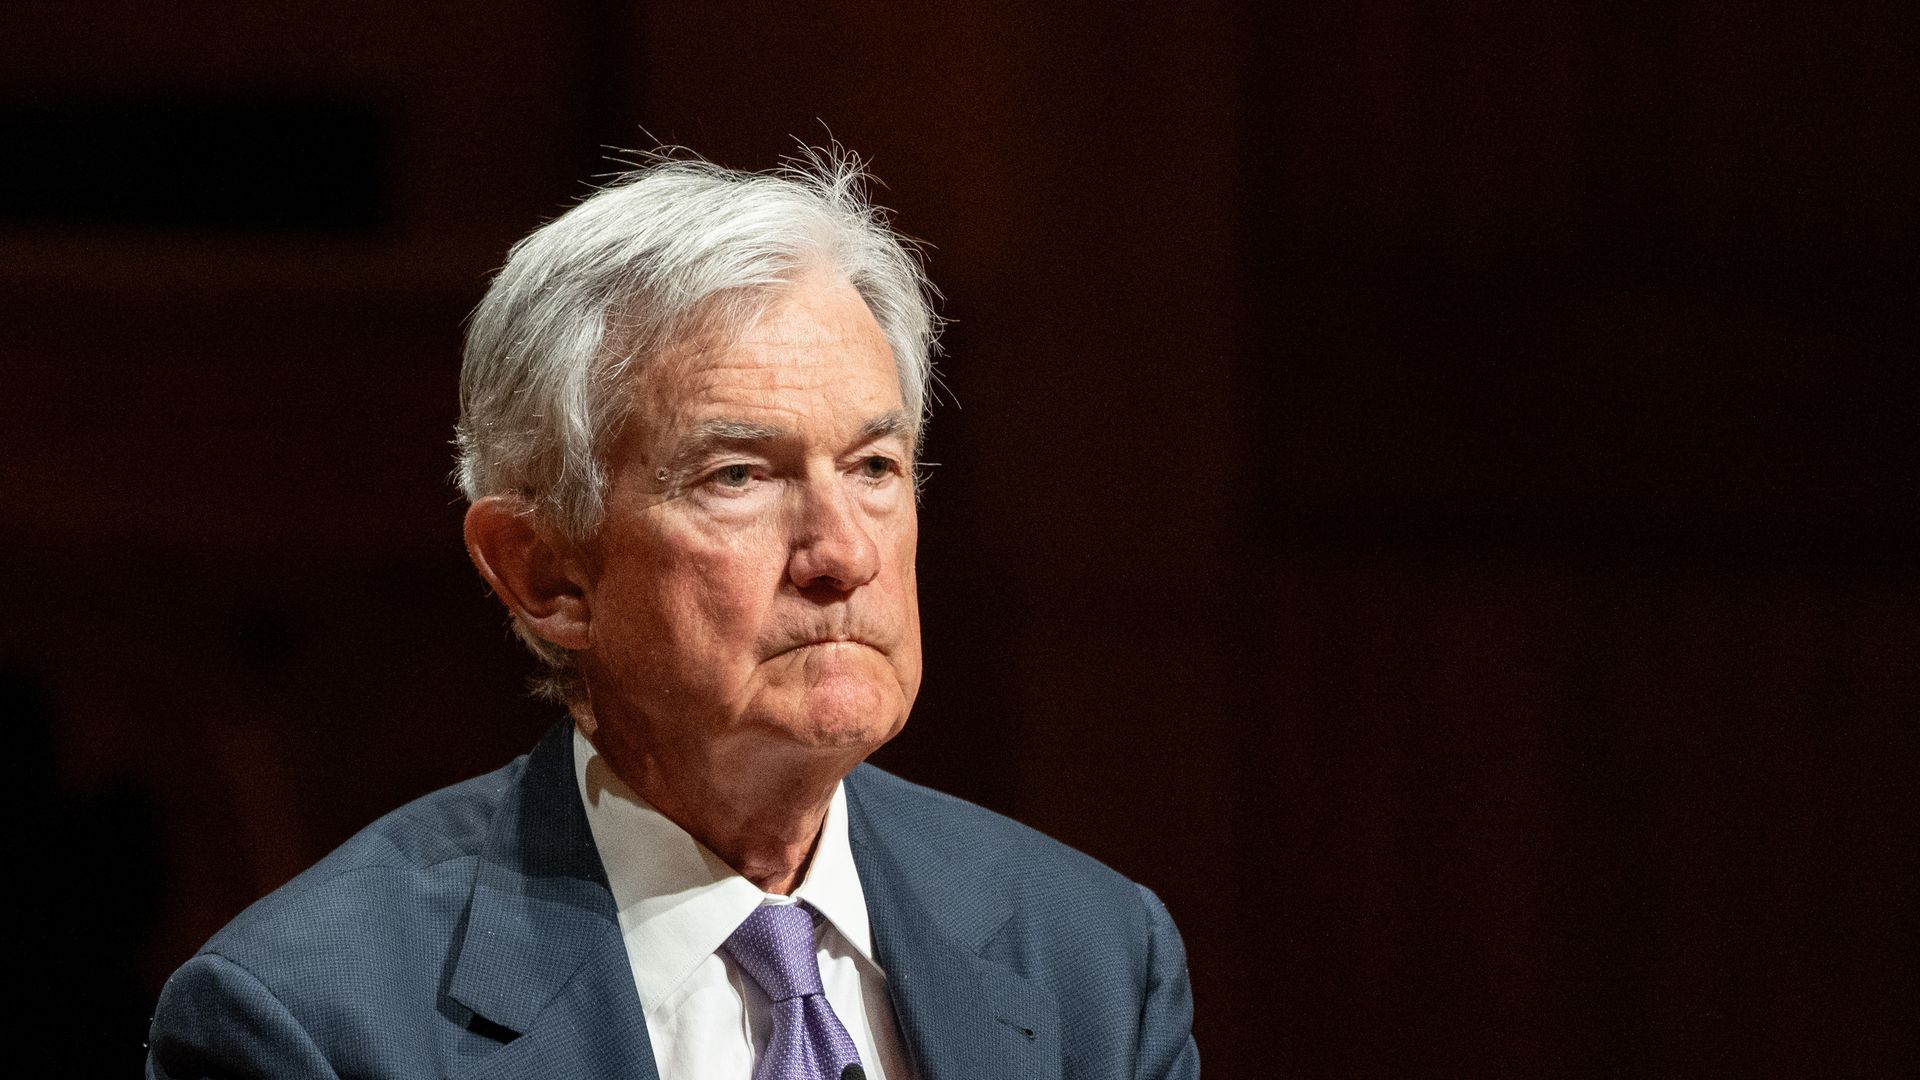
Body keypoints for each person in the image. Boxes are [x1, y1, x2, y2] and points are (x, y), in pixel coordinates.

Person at [146, 146, 1199, 1080]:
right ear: (544, 571)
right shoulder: (310, 1026)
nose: (844, 552)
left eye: (874, 466)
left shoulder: (1094, 962)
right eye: (739, 475)